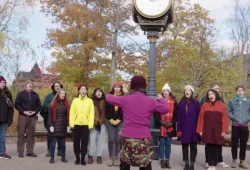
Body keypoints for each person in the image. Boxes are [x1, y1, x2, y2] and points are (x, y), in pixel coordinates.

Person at [106, 75, 169, 170]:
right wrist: (161, 99)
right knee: (145, 164)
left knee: (124, 164)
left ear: (132, 86)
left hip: (127, 137)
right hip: (143, 138)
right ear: (144, 86)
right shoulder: (150, 101)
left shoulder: (125, 99)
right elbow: (165, 109)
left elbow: (108, 97)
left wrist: (124, 93)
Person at [197, 89, 229, 170]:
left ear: (216, 95)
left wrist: (224, 130)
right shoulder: (204, 105)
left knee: (216, 147)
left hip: (218, 130)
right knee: (208, 146)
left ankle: (214, 165)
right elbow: (201, 119)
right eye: (209, 94)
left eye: (212, 94)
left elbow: (225, 119)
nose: (210, 96)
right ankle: (209, 163)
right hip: (207, 129)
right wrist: (200, 130)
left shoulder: (221, 105)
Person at [153, 83, 177, 169]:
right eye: (164, 91)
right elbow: (155, 114)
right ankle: (162, 160)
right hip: (161, 125)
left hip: (170, 126)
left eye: (167, 90)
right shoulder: (158, 101)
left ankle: (167, 161)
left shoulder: (174, 101)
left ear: (169, 91)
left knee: (168, 144)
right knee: (162, 144)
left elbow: (176, 114)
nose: (165, 92)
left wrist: (171, 123)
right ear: (162, 92)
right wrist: (162, 123)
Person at [15, 80, 41, 158]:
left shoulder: (35, 95)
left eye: (31, 84)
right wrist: (23, 112)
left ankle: (30, 151)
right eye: (28, 84)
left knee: (31, 134)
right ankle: (20, 151)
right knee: (21, 134)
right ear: (25, 85)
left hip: (32, 117)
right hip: (23, 116)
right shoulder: (20, 94)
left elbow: (39, 106)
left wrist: (34, 112)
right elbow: (16, 105)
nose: (30, 85)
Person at [70, 84, 94, 166]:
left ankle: (83, 158)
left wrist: (90, 125)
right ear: (79, 91)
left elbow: (91, 114)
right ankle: (77, 157)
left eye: (85, 89)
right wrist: (71, 124)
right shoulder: (75, 100)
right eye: (81, 89)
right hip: (76, 124)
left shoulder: (90, 101)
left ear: (86, 91)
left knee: (84, 142)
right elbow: (72, 113)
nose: (83, 91)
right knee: (76, 142)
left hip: (86, 125)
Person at [177, 85, 200, 170]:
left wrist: (199, 129)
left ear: (191, 92)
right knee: (185, 145)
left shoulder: (196, 103)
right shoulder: (180, 103)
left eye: (189, 90)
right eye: (186, 90)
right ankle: (186, 162)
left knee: (193, 146)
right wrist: (178, 129)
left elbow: (199, 117)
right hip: (184, 128)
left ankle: (192, 163)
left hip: (193, 128)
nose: (187, 91)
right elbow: (178, 117)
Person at [227, 85, 250, 169]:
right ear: (236, 92)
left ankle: (242, 161)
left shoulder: (248, 101)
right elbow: (228, 111)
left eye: (241, 90)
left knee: (243, 144)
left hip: (244, 126)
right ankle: (234, 160)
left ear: (244, 91)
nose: (240, 92)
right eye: (238, 90)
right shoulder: (232, 101)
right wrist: (233, 117)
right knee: (234, 144)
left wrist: (247, 119)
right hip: (235, 125)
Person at [40, 81, 63, 157]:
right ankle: (49, 150)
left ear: (60, 87)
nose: (57, 87)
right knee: (51, 135)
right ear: (53, 87)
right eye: (55, 86)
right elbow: (44, 107)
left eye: (58, 86)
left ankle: (60, 150)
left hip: (60, 119)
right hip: (50, 119)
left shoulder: (63, 95)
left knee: (60, 134)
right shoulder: (49, 96)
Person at [48, 89, 70, 164]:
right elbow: (50, 116)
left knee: (63, 144)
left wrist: (68, 126)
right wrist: (51, 125)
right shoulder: (53, 103)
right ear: (58, 94)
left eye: (64, 93)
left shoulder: (67, 104)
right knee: (53, 144)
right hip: (55, 126)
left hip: (63, 126)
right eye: (61, 93)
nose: (63, 94)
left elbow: (68, 116)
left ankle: (63, 157)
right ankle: (52, 157)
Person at [106, 82, 124, 167]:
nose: (117, 89)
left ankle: (116, 157)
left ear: (121, 88)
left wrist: (119, 120)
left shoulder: (124, 97)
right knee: (111, 139)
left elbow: (124, 110)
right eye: (115, 87)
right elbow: (106, 109)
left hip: (120, 121)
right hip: (110, 121)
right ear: (113, 88)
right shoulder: (109, 96)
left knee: (117, 139)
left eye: (118, 87)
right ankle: (110, 157)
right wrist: (111, 119)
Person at [88, 88, 106, 164]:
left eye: (100, 91)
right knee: (91, 140)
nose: (99, 93)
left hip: (102, 123)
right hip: (93, 124)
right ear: (94, 93)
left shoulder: (105, 102)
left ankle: (99, 156)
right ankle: (90, 156)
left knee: (101, 141)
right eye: (97, 92)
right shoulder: (90, 101)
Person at [0, 76, 14, 159]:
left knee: (2, 137)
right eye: (1, 82)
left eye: (4, 82)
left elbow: (11, 108)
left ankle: (2, 152)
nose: (3, 84)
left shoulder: (8, 94)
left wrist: (10, 119)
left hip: (4, 119)